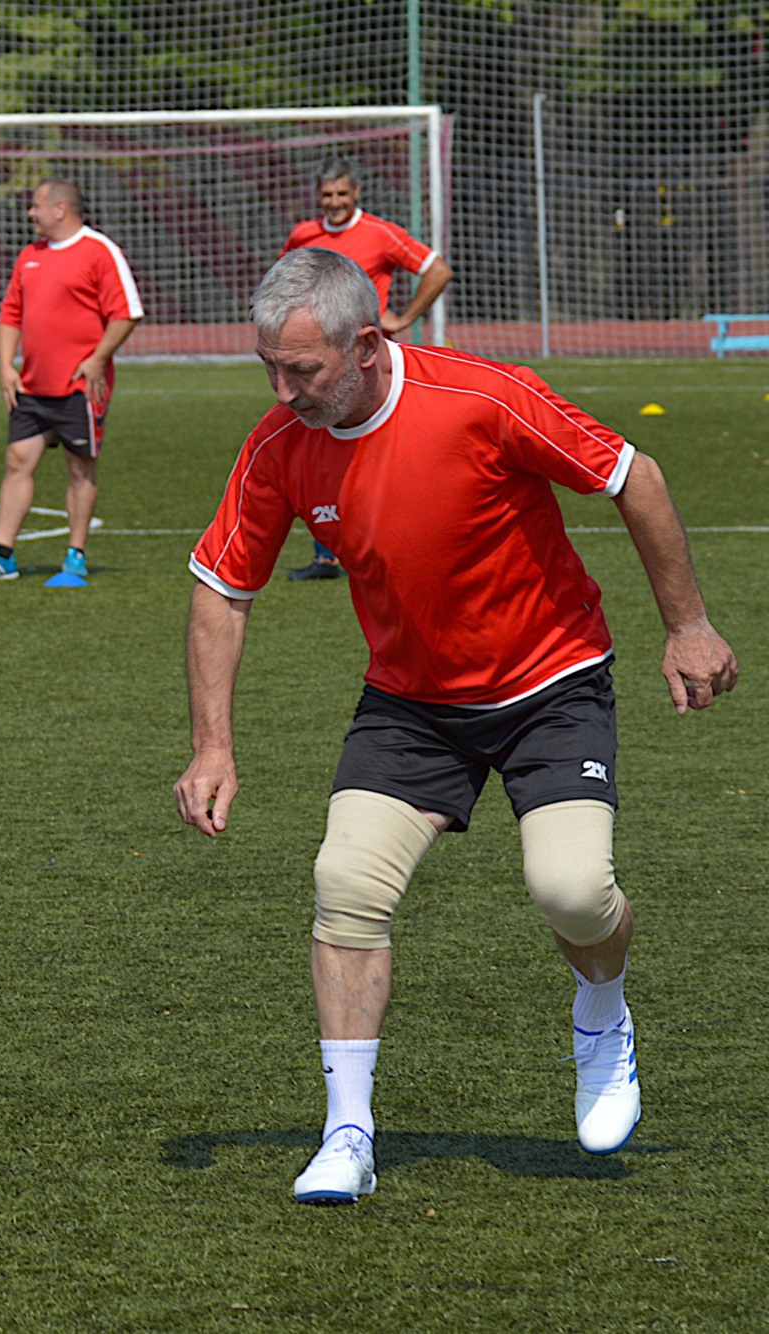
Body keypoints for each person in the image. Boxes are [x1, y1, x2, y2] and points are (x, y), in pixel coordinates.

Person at [173, 248, 737, 1206]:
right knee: (344, 882)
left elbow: (633, 476)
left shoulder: (483, 398)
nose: (282, 390)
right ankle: (347, 1133)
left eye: (301, 370)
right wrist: (213, 744)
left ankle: (601, 1008)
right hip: (411, 703)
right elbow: (222, 591)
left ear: (367, 343)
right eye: (268, 367)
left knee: (569, 890)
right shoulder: (280, 444)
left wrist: (686, 625)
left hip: (551, 683)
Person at [278, 156, 455, 582]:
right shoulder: (304, 234)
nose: (334, 202)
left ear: (356, 193)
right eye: (327, 195)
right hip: (318, 363)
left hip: (366, 361)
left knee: (382, 446)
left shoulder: (380, 233)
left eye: (342, 193)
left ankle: (402, 538)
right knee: (318, 446)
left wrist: (403, 317)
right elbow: (284, 284)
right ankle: (328, 554)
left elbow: (438, 270)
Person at [0, 180, 142, 586]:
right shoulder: (29, 256)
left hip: (80, 388)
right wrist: (6, 366)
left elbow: (127, 313)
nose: (30, 213)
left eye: (36, 206)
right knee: (16, 461)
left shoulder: (100, 251)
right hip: (32, 386)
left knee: (79, 468)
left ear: (60, 209)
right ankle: (2, 554)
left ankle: (74, 557)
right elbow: (10, 313)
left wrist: (97, 359)